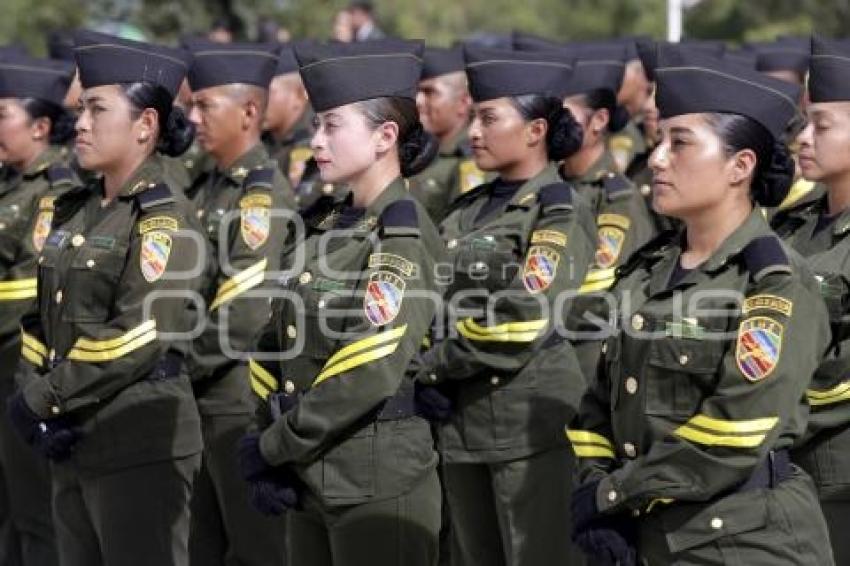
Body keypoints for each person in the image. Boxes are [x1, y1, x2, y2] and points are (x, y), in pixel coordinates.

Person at [568, 45, 834, 565]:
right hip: (652, 534)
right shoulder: (649, 269)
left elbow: (735, 429)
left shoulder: (773, 281)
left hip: (743, 541)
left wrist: (613, 497)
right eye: (661, 138)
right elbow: (598, 401)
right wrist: (600, 490)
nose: (659, 157)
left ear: (740, 166)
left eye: (681, 143)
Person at [239, 39, 443, 566]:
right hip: (309, 472)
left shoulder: (401, 235)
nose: (316, 140)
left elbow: (370, 364)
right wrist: (266, 432)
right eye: (315, 126)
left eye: (332, 125)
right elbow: (276, 340)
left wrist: (273, 446)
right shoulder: (327, 225)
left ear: (385, 136)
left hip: (375, 481)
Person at [9, 30, 204, 566]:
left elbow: (140, 333)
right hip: (74, 438)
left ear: (145, 125)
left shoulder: (163, 218)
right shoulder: (76, 207)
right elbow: (39, 318)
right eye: (81, 109)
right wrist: (42, 397)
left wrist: (45, 396)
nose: (82, 124)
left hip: (136, 441)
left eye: (97, 109)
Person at [414, 45, 595, 566]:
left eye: (489, 118)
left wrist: (434, 369)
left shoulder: (557, 210)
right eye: (472, 117)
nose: (473, 131)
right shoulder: (467, 210)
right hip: (461, 425)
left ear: (535, 130)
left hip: (525, 425)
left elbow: (525, 317)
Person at [183, 41, 293, 566]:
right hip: (199, 395)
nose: (192, 117)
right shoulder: (208, 187)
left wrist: (177, 364)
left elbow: (244, 312)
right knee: (200, 544)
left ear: (250, 111)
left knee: (254, 548)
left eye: (206, 106)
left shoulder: (260, 195)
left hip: (233, 397)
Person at [770, 36, 850, 565]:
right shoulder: (792, 223)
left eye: (822, 125)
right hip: (784, 461)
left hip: (839, 469)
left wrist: (766, 408)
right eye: (804, 122)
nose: (803, 138)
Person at [0, 52, 78, 566]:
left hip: (18, 357)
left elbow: (31, 282)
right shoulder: (11, 183)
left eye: (3, 114)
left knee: (33, 508)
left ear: (41, 126)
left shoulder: (55, 192)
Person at [550, 44, 657, 382]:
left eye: (565, 115)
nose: (556, 126)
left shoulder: (616, 200)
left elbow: (598, 293)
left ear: (598, 120)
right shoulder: (550, 185)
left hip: (582, 364)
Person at [409, 45, 481, 223]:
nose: (418, 101)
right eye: (417, 91)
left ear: (463, 102)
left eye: (429, 92)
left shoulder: (471, 159)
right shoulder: (414, 150)